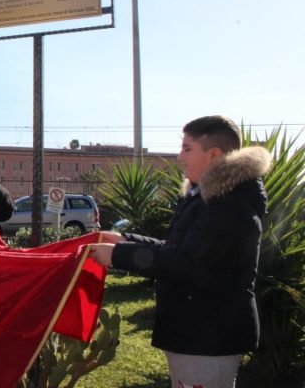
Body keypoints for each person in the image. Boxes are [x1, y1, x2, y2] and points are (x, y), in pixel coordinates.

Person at [88, 115, 271, 388]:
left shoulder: (228, 204)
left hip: (210, 336)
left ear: (214, 154)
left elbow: (186, 262)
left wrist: (116, 256)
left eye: (187, 148)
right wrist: (125, 241)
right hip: (198, 332)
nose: (179, 157)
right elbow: (179, 250)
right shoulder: (210, 197)